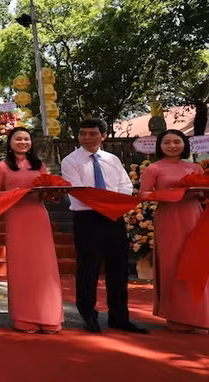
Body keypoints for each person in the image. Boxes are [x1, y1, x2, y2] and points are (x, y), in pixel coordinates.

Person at [61, 118, 149, 334]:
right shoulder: (70, 161)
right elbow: (78, 191)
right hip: (87, 219)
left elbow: (125, 186)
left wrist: (114, 206)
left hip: (113, 217)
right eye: (83, 134)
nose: (87, 138)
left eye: (92, 134)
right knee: (87, 269)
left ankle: (119, 317)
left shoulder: (112, 159)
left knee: (118, 268)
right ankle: (89, 316)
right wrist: (106, 203)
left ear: (103, 135)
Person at [0, 127, 63, 333]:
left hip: (38, 215)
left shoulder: (39, 166)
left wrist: (53, 193)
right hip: (16, 217)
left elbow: (45, 193)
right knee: (21, 265)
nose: (23, 142)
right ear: (10, 143)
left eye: (26, 139)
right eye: (18, 139)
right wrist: (12, 193)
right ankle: (24, 318)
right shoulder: (2, 167)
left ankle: (49, 317)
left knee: (44, 265)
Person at [139, 129, 209, 334]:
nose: (172, 146)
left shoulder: (194, 167)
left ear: (184, 144)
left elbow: (202, 195)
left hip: (195, 217)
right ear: (159, 146)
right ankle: (176, 316)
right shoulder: (154, 168)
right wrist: (173, 193)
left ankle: (199, 314)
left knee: (198, 264)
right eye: (167, 142)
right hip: (169, 219)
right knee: (172, 265)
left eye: (176, 142)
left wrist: (201, 193)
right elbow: (143, 194)